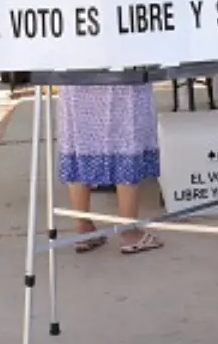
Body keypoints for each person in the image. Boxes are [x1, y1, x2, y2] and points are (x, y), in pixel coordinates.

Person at [58, 84, 163, 255]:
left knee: (80, 144)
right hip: (121, 75)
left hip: (78, 74)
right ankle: (129, 232)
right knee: (125, 141)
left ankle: (84, 228)